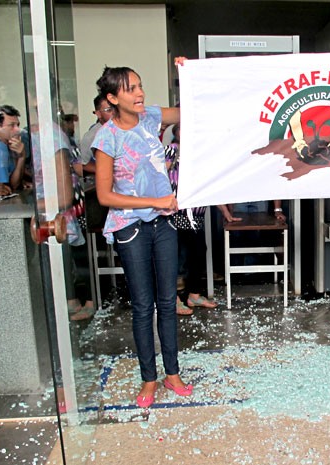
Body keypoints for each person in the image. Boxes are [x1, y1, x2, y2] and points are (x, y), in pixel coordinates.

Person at [92, 63, 192, 408]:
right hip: (129, 226)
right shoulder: (106, 137)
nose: (139, 93)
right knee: (142, 306)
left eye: (140, 85)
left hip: (163, 223)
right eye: (130, 89)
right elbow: (105, 196)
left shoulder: (149, 117)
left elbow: (188, 111)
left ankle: (172, 373)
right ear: (112, 97)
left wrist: (187, 75)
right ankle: (148, 379)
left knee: (167, 302)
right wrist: (155, 201)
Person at [164, 123, 217, 314]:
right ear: (176, 132)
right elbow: (162, 174)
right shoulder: (173, 149)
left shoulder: (200, 153)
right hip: (177, 212)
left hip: (196, 213)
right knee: (176, 256)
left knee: (198, 252)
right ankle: (174, 299)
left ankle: (194, 295)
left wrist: (226, 213)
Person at [79, 94, 114, 175]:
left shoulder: (128, 130)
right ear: (98, 114)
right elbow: (83, 164)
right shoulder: (91, 136)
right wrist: (108, 172)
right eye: (109, 110)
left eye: (116, 108)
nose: (114, 113)